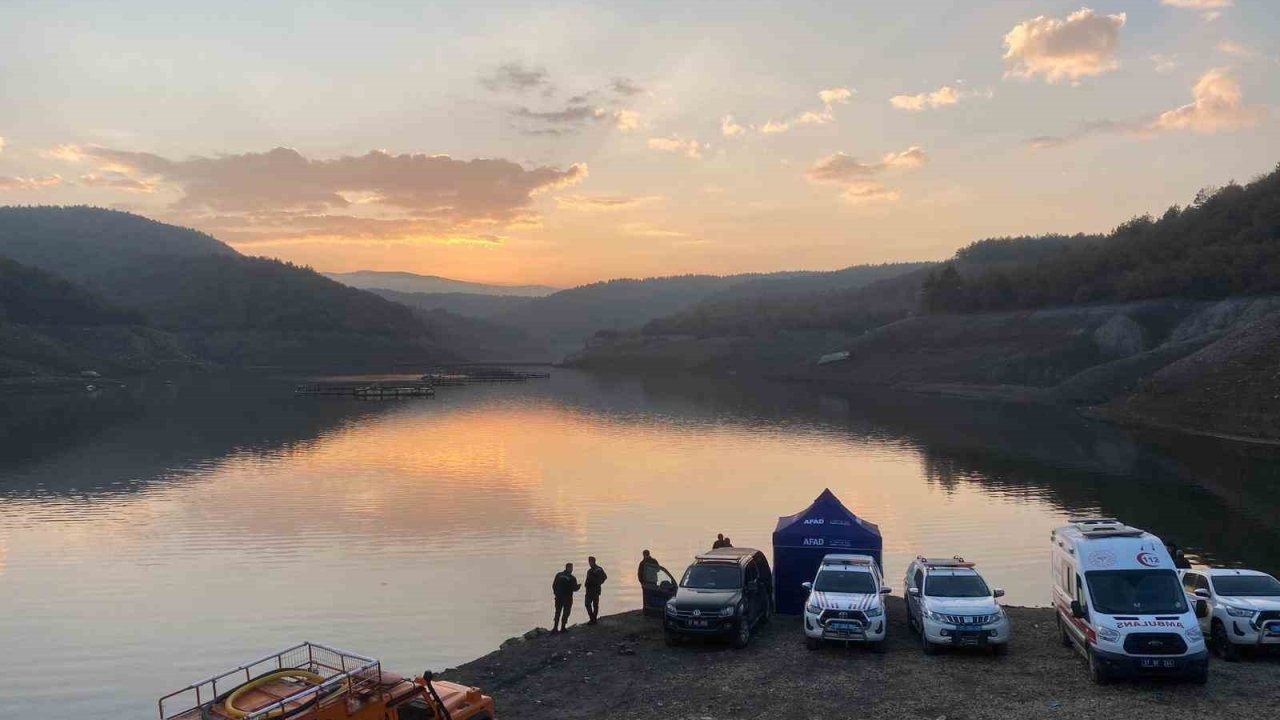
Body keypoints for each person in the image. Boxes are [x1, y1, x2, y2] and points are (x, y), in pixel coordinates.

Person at [551, 562, 581, 632]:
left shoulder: (558, 575)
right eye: (571, 568)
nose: (572, 569)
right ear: (569, 568)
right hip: (567, 598)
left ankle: (555, 628)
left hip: (558, 597)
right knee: (566, 612)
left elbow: (554, 585)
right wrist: (578, 587)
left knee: (557, 612)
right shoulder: (572, 578)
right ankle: (563, 628)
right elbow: (574, 589)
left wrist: (555, 593)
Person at [584, 556, 608, 624]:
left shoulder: (592, 571)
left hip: (591, 590)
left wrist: (598, 582)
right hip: (596, 589)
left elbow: (604, 577)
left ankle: (593, 619)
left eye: (590, 561)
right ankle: (593, 619)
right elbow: (604, 577)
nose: (589, 563)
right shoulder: (599, 569)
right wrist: (600, 582)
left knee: (588, 604)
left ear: (592, 562)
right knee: (595, 605)